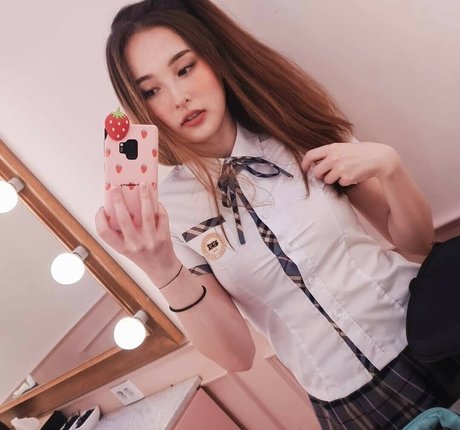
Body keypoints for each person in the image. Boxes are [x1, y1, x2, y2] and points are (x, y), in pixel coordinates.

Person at [95, 1, 454, 428]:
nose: (178, 97)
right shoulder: (170, 213)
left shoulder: (293, 127)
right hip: (349, 401)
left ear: (215, 56)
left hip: (432, 333)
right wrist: (161, 269)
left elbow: (415, 244)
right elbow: (238, 356)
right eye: (151, 91)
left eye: (185, 68)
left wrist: (390, 167)